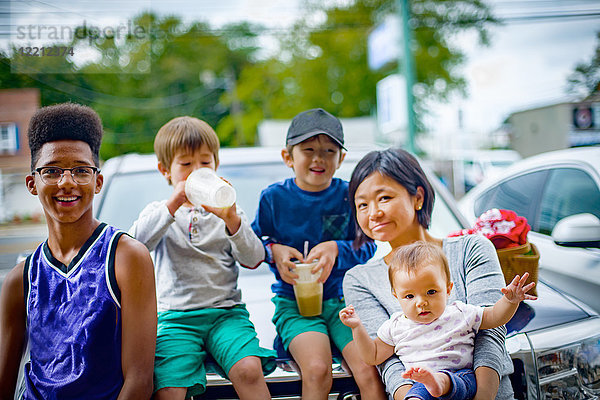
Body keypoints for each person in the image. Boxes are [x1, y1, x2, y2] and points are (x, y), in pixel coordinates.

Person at [0, 103, 157, 399]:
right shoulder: (20, 279)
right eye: (52, 171)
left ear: (97, 181)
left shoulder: (126, 258)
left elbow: (138, 381)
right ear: (32, 183)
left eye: (81, 171)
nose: (67, 182)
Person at [343, 148, 517, 400]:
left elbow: (491, 331)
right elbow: (387, 360)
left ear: (418, 197)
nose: (373, 213)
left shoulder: (472, 249)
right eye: (362, 204)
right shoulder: (359, 280)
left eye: (384, 198)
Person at [129, 116, 276, 400]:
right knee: (169, 387)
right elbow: (136, 244)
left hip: (226, 313)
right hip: (176, 319)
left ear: (216, 167)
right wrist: (173, 203)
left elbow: (255, 257)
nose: (197, 171)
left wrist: (232, 220)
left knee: (249, 369)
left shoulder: (230, 213)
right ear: (165, 171)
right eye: (185, 165)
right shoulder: (160, 212)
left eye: (205, 163)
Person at [251, 108, 386, 399]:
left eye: (329, 151)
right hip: (294, 304)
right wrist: (273, 250)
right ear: (288, 157)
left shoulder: (350, 196)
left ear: (341, 159)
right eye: (308, 150)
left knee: (369, 370)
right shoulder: (273, 198)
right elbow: (251, 244)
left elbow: (370, 244)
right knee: (316, 369)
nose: (318, 158)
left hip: (346, 303)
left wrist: (337, 248)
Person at [341, 241, 536, 400]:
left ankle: (437, 383)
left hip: (463, 380)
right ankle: (431, 385)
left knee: (449, 381)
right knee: (415, 396)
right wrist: (357, 327)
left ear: (448, 289)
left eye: (431, 292)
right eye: (409, 296)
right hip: (421, 387)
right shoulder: (395, 327)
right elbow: (372, 356)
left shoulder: (459, 313)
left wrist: (509, 301)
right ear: (396, 296)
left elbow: (494, 318)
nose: (421, 302)